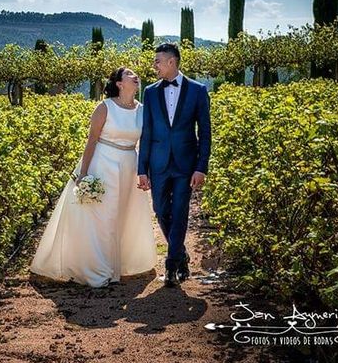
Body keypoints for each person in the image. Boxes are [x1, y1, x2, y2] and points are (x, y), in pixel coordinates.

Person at [30, 67, 157, 288]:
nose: (135, 76)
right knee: (101, 217)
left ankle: (118, 265)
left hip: (128, 165)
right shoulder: (104, 107)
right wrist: (84, 174)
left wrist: (145, 170)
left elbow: (146, 144)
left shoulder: (142, 110)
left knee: (122, 216)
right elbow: (91, 141)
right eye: (129, 74)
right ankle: (98, 269)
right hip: (103, 163)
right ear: (119, 83)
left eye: (135, 75)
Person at [137, 43, 211, 287]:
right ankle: (180, 254)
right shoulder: (149, 92)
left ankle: (170, 265)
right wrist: (142, 169)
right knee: (160, 210)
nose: (154, 65)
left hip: (185, 164)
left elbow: (206, 133)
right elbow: (146, 133)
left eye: (157, 61)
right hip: (157, 164)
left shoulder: (198, 91)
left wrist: (201, 166)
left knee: (180, 212)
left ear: (171, 62)